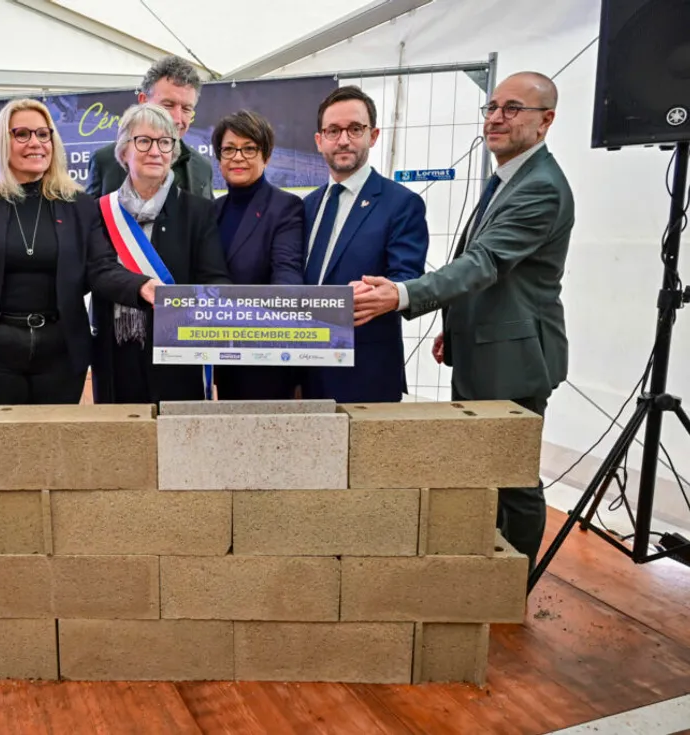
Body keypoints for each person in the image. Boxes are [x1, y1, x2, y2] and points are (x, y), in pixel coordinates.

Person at [351, 71, 573, 571]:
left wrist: (402, 294)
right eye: (492, 107)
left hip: (514, 358)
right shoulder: (509, 178)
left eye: (513, 109)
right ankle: (486, 570)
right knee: (483, 468)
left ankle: (513, 582)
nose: (496, 118)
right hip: (482, 348)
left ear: (546, 122)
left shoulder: (540, 188)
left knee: (512, 475)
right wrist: (454, 331)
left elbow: (484, 264)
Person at [0, 99, 155, 418]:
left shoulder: (79, 204)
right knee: (5, 459)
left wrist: (140, 287)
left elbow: (101, 268)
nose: (36, 143)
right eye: (23, 134)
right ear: (4, 141)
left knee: (54, 457)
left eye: (43, 134)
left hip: (61, 356)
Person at [91, 103, 232, 404]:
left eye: (165, 142)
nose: (155, 151)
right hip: (116, 353)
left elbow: (214, 278)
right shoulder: (101, 211)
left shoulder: (198, 211)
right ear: (123, 151)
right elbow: (97, 271)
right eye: (144, 141)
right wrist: (140, 287)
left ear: (173, 152)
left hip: (178, 356)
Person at [301, 85, 430, 403]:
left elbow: (405, 281)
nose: (343, 139)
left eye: (354, 129)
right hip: (303, 371)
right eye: (333, 130)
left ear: (373, 135)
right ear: (320, 141)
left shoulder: (401, 203)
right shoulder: (306, 206)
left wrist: (378, 294)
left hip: (366, 376)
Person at [210, 110, 304, 400]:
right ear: (219, 157)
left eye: (249, 148)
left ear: (267, 156)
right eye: (229, 149)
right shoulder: (211, 210)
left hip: (267, 357)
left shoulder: (285, 207)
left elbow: (287, 273)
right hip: (220, 356)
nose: (238, 157)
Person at [87, 55, 214, 200]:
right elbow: (90, 220)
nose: (177, 119)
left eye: (186, 109)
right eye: (168, 105)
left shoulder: (202, 168)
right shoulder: (104, 162)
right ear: (143, 102)